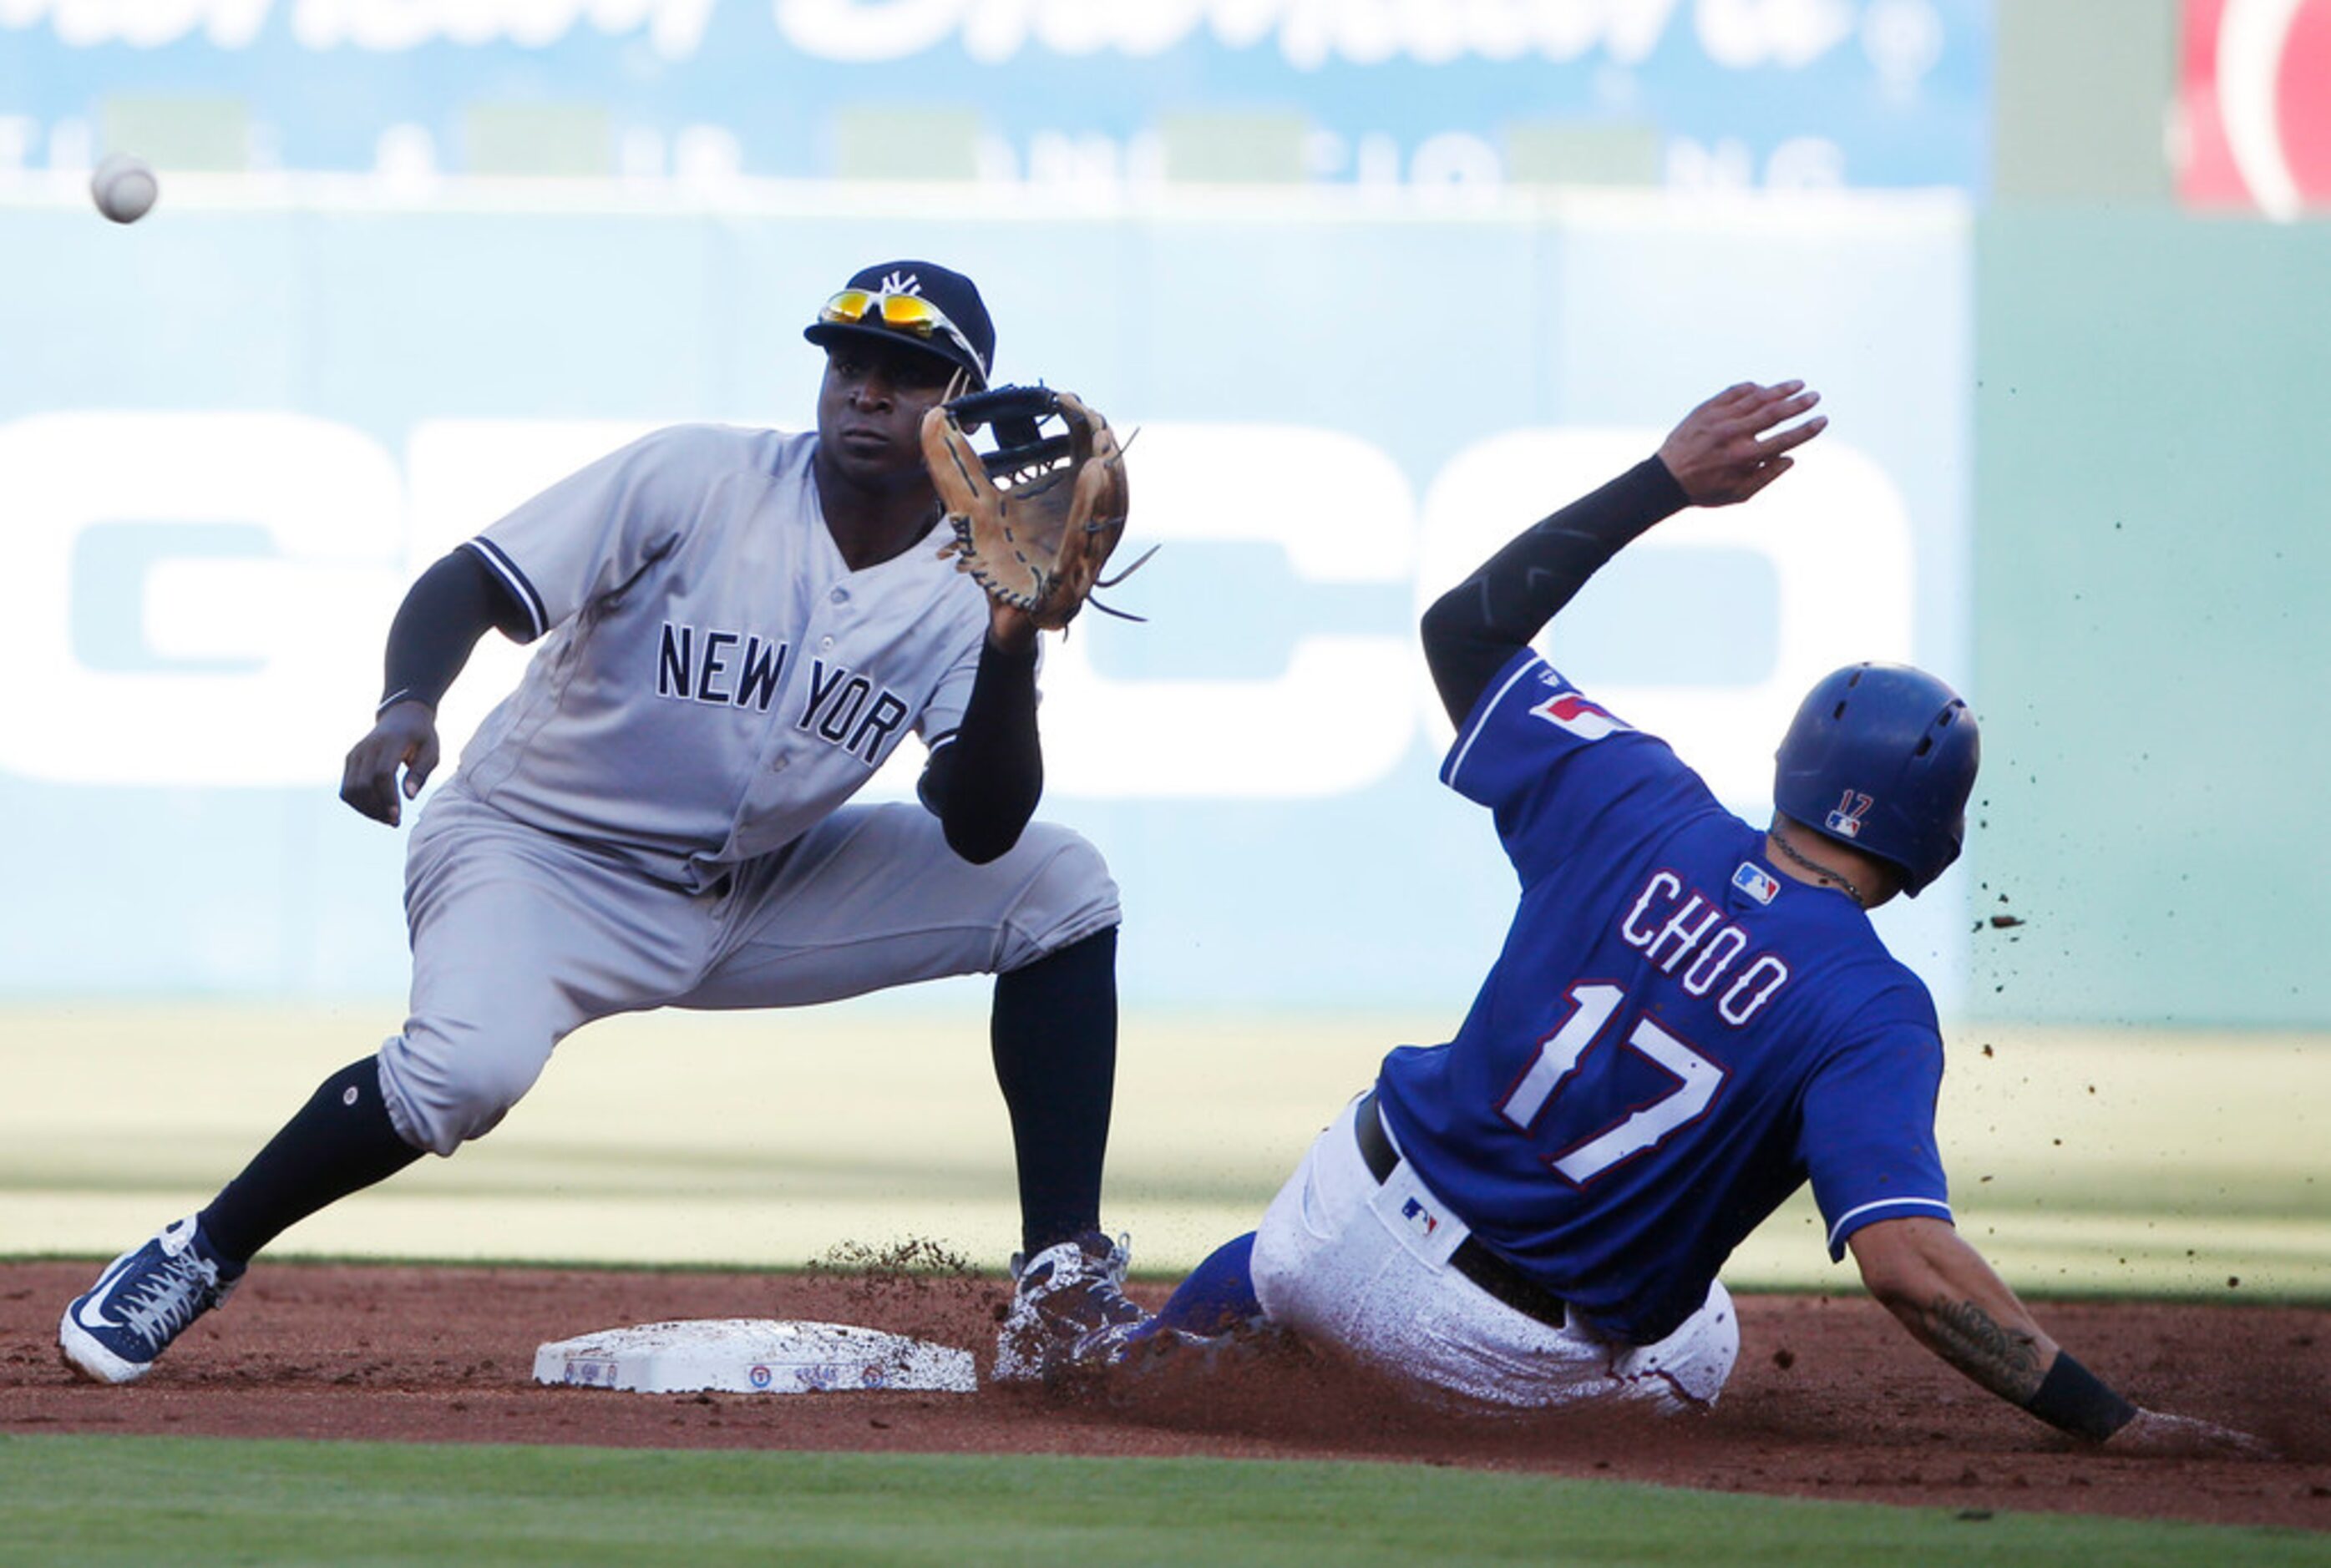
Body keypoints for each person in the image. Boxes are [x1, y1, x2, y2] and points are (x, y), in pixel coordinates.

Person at [59, 260, 1148, 1388]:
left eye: (908, 374)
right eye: (848, 362)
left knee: (1061, 886)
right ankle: (201, 1249)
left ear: (963, 404)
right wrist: (406, 707)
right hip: (531, 850)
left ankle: (1059, 1289)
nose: (866, 391)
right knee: (463, 1073)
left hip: (751, 886)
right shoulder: (701, 477)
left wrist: (1012, 642)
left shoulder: (971, 580)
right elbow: (471, 581)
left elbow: (981, 829)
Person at [1136, 381, 2263, 1454]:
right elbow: (1906, 1262)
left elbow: (1462, 633)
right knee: (1702, 1329)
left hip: (1326, 1222)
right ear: (1933, 841)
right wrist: (2107, 1416)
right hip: (1483, 1358)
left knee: (1367, 1186)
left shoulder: (1630, 787)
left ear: (1790, 768)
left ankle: (1144, 1348)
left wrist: (1665, 480)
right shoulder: (1871, 1006)